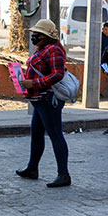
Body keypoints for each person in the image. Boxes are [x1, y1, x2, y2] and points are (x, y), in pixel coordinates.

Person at [16, 19, 71, 188]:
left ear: (46, 36)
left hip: (48, 99)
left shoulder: (54, 50)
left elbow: (57, 74)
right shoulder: (44, 49)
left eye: (37, 34)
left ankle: (63, 174)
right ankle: (32, 168)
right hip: (40, 99)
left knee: (55, 135)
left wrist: (35, 83)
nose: (34, 36)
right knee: (37, 133)